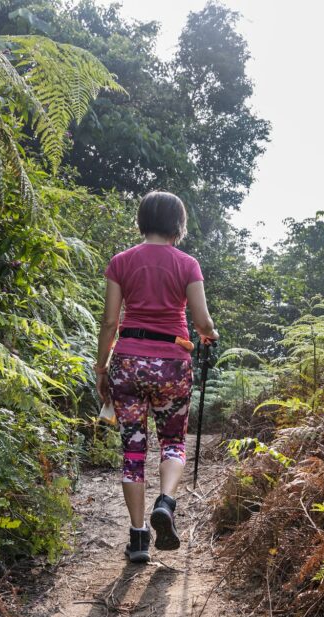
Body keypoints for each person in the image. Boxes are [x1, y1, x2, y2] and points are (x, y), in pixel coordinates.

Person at [94, 190, 219, 563]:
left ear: (142, 220)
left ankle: (137, 539)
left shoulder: (121, 261)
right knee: (172, 442)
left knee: (132, 452)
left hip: (128, 361)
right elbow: (202, 321)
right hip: (172, 364)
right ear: (177, 225)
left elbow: (110, 321)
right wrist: (208, 334)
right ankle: (165, 502)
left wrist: (102, 367)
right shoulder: (187, 264)